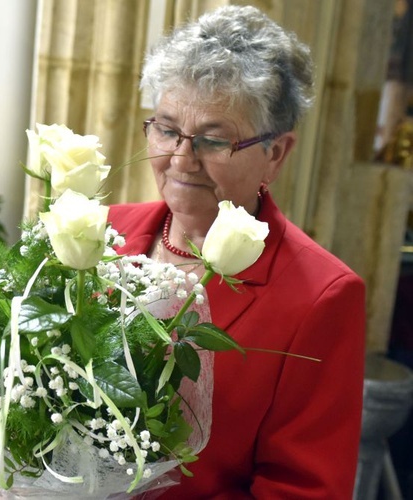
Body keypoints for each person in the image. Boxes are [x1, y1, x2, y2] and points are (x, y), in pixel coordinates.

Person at [107, 6, 365, 499]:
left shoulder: (321, 299)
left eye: (212, 139)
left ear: (276, 153)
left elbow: (304, 491)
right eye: (166, 129)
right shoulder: (101, 232)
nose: (181, 159)